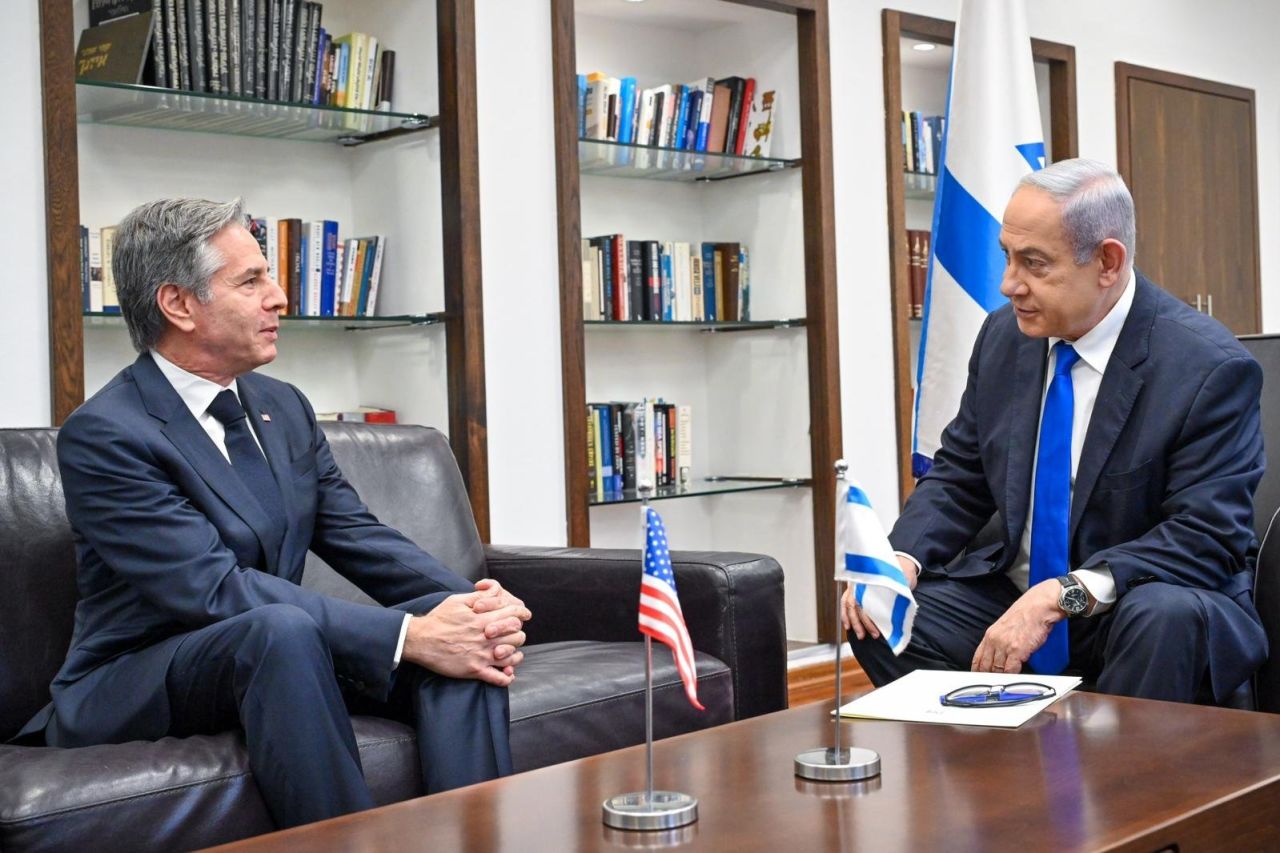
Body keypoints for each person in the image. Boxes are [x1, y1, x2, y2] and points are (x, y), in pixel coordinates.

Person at [15, 198, 531, 829]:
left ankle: (479, 837)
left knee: (453, 637)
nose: (279, 297)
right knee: (285, 629)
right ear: (178, 304)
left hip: (281, 659)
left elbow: (355, 533)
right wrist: (409, 636)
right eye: (251, 280)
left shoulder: (281, 406)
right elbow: (212, 590)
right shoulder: (107, 434)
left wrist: (470, 607)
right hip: (142, 674)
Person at [844, 158, 1267, 703]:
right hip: (1012, 596)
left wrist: (1060, 596)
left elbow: (1205, 536)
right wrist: (900, 559)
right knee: (882, 615)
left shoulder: (1206, 367)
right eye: (1006, 257)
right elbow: (959, 476)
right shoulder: (1004, 338)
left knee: (1163, 615)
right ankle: (999, 767)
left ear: (1108, 262)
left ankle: (1120, 783)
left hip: (1133, 603)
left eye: (1034, 263)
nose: (1008, 284)